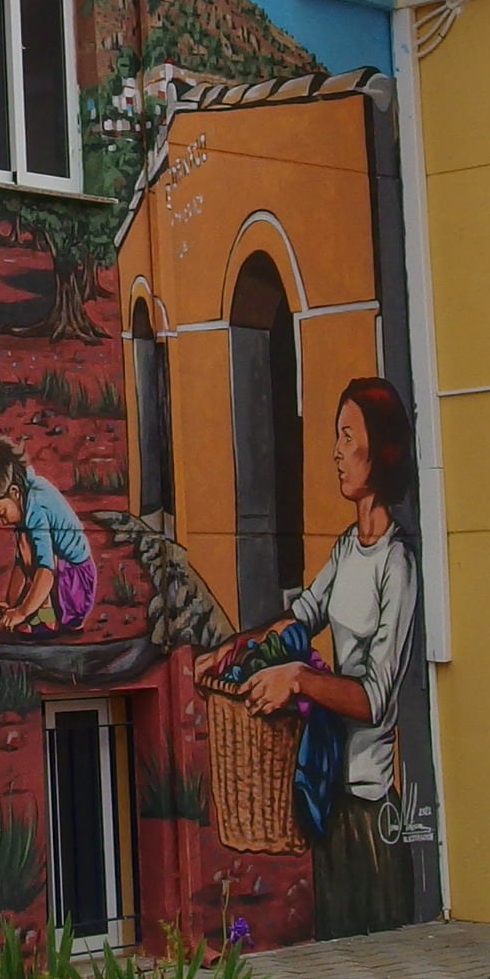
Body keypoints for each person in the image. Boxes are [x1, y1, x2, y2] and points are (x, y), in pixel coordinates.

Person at [197, 377, 418, 937]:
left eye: (348, 436)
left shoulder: (398, 565)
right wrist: (235, 648)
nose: (337, 452)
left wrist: (297, 677)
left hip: (371, 809)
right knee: (341, 955)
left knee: (378, 949)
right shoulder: (348, 547)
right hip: (330, 795)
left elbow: (373, 698)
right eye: (336, 437)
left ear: (382, 448)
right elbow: (303, 615)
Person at [0, 440, 98, 634]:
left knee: (29, 546)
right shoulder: (28, 495)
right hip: (65, 578)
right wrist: (11, 605)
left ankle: (48, 620)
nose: (2, 521)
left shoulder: (36, 508)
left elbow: (45, 569)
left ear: (14, 492)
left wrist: (21, 612)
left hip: (75, 586)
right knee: (25, 544)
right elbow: (21, 564)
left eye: (2, 513)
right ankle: (41, 614)